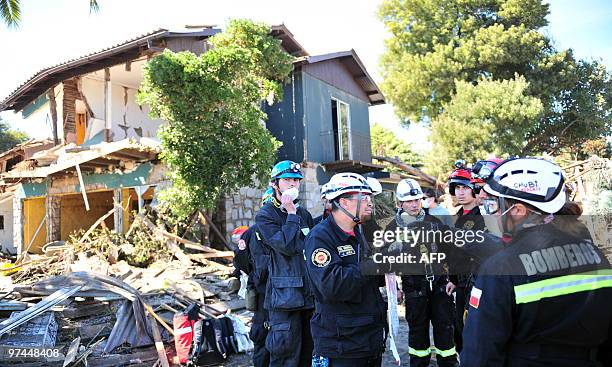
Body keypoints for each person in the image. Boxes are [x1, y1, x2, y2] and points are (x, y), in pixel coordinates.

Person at [461, 157, 612, 367]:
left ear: (518, 210)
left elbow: (480, 355)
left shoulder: (501, 268)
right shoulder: (596, 256)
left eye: (493, 204)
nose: (489, 213)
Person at [305, 173, 387, 367]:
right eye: (364, 198)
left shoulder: (359, 233)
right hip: (341, 346)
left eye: (370, 198)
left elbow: (367, 278)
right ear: (344, 202)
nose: (370, 203)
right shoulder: (320, 237)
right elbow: (332, 285)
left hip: (367, 340)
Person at [384, 178, 458, 367]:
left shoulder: (434, 222)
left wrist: (454, 279)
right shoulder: (393, 228)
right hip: (413, 288)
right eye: (409, 201)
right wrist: (395, 290)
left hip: (440, 287)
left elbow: (451, 251)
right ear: (400, 203)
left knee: (445, 331)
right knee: (417, 334)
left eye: (417, 199)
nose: (414, 204)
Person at [255, 160, 315, 367]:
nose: (292, 184)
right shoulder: (266, 215)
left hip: (308, 296)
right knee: (285, 355)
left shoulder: (304, 214)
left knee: (309, 353)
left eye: (296, 181)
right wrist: (290, 214)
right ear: (275, 184)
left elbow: (310, 247)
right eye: (287, 180)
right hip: (283, 299)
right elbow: (286, 247)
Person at [447, 162, 485, 352]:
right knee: (459, 332)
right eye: (458, 188)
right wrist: (453, 279)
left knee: (474, 333)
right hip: (462, 285)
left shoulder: (483, 216)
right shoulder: (459, 216)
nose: (460, 192)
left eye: (465, 188)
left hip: (478, 285)